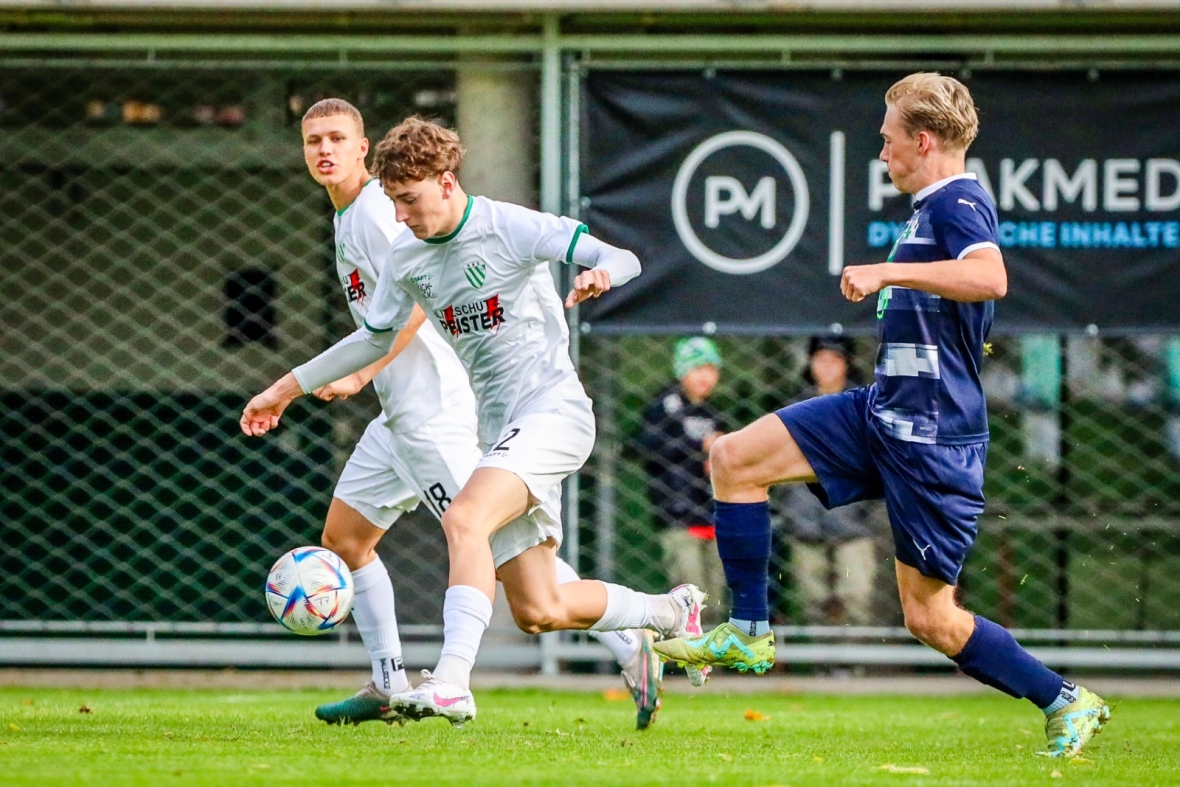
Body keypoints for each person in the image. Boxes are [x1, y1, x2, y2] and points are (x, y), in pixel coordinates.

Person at [655, 73, 1112, 757]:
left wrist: (887, 273)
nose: (882, 152)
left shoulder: (959, 200)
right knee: (733, 457)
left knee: (931, 618)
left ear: (921, 140)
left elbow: (991, 277)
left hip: (934, 439)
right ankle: (748, 629)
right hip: (880, 413)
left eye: (887, 139)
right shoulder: (931, 206)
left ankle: (1065, 698)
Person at [242, 115, 706, 728]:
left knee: (465, 519)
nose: (400, 216)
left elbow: (619, 255)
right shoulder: (408, 254)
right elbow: (371, 339)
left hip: (553, 411)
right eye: (393, 202)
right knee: (540, 606)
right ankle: (668, 614)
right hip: (497, 431)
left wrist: (602, 273)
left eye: (408, 201)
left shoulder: (508, 225)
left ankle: (453, 683)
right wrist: (285, 388)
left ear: (446, 180)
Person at [778, 335, 878, 627]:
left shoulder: (865, 405)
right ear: (810, 364)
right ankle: (823, 667)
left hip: (854, 520)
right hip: (805, 518)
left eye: (835, 360)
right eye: (821, 360)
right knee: (813, 599)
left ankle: (854, 665)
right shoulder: (793, 407)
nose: (828, 367)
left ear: (847, 365)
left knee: (857, 596)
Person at [639, 337, 728, 624]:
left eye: (711, 369)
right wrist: (699, 446)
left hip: (712, 511)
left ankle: (709, 658)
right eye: (698, 368)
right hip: (678, 513)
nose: (706, 376)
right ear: (682, 371)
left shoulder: (714, 412)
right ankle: (687, 656)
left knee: (715, 594)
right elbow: (649, 448)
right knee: (689, 594)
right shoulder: (662, 407)